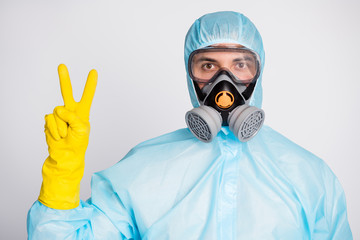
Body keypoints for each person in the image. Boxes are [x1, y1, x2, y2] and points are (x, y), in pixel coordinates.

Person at [27, 11, 353, 239]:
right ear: (190, 75)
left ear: (258, 72)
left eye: (240, 65)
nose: (223, 83)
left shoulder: (310, 176)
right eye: (208, 64)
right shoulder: (142, 170)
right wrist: (62, 175)